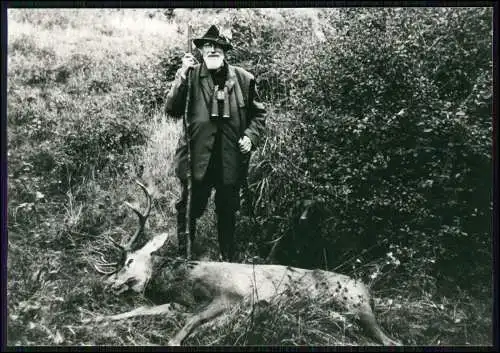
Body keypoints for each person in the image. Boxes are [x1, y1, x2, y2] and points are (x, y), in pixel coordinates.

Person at [165, 25, 267, 262]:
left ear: (224, 51)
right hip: (197, 158)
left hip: (229, 159)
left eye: (217, 46)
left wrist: (250, 137)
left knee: (228, 210)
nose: (212, 50)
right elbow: (171, 109)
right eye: (207, 46)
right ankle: (185, 255)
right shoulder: (190, 76)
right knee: (190, 208)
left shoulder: (244, 79)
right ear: (200, 50)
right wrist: (181, 74)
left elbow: (259, 114)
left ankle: (227, 258)